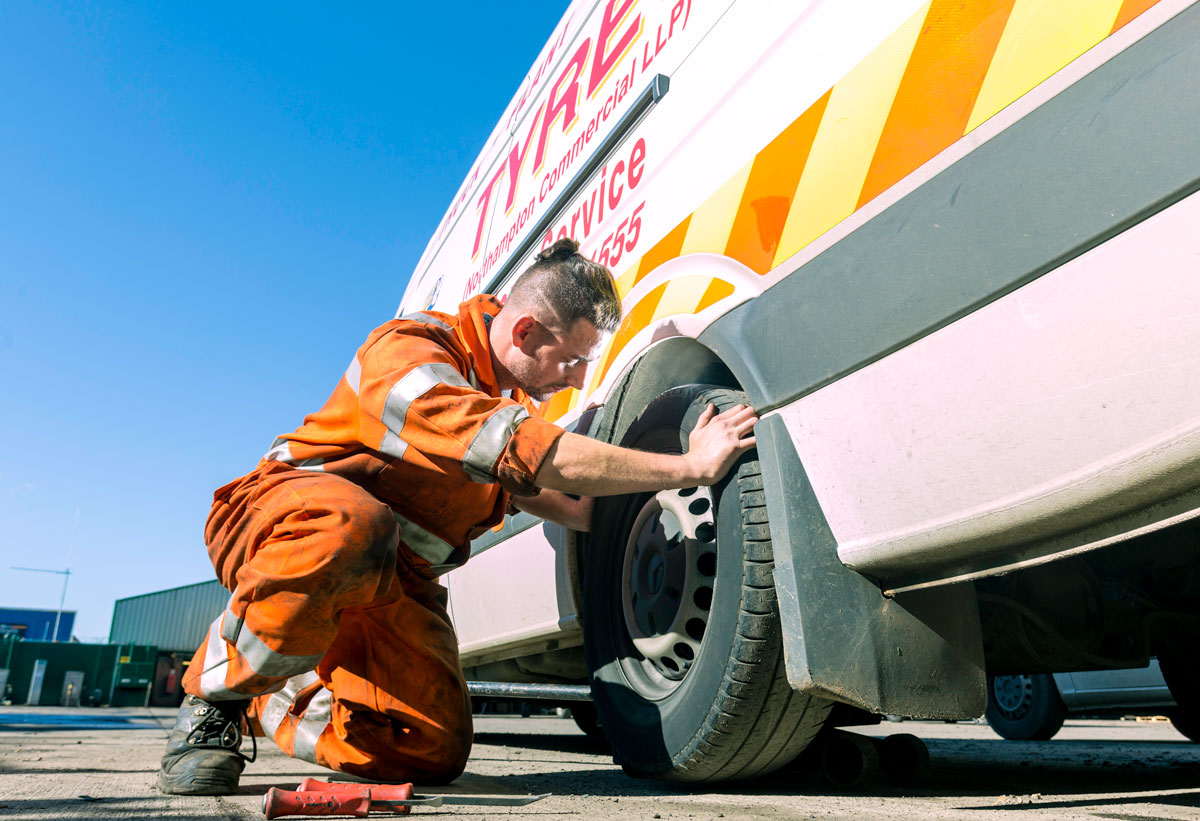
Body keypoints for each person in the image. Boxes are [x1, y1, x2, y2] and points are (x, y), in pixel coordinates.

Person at [157, 238, 758, 795]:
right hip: (285, 524)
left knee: (429, 749)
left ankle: (275, 699)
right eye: (573, 361)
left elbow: (567, 504)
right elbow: (517, 448)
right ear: (524, 332)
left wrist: (639, 493)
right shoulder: (411, 353)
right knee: (353, 527)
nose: (578, 379)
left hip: (390, 579)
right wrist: (689, 468)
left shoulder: (503, 397)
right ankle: (215, 697)